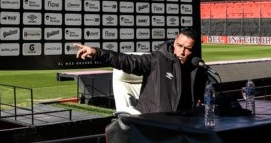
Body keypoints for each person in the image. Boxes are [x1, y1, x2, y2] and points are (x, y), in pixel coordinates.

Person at [74, 28, 208, 113]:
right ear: (174, 42)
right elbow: (127, 60)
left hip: (185, 124)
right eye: (179, 45)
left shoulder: (197, 68)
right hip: (155, 125)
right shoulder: (157, 59)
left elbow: (206, 95)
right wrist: (97, 53)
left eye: (188, 48)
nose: (182, 52)